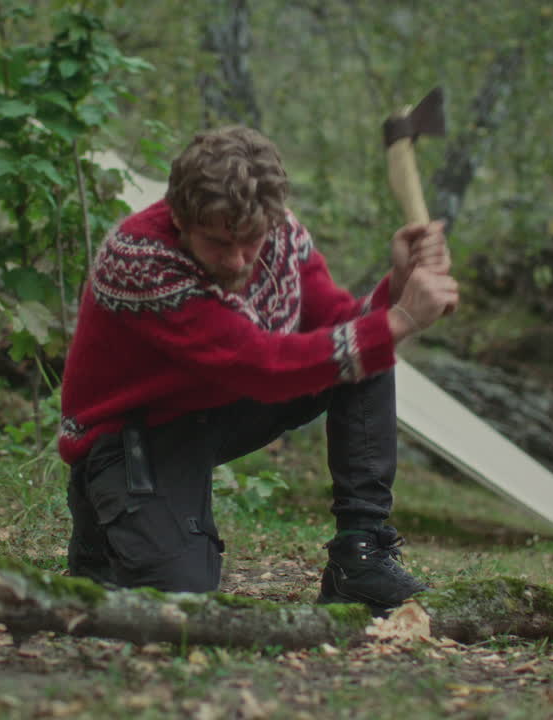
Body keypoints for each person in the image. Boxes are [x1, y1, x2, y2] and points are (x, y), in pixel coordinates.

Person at [58, 126, 458, 612]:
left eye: (250, 240)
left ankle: (361, 555)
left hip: (213, 405)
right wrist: (404, 318)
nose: (238, 258)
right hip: (131, 437)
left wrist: (397, 286)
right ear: (181, 218)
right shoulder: (140, 258)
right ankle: (102, 532)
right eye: (217, 243)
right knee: (183, 605)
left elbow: (341, 325)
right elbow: (258, 365)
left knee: (364, 355)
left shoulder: (278, 231)